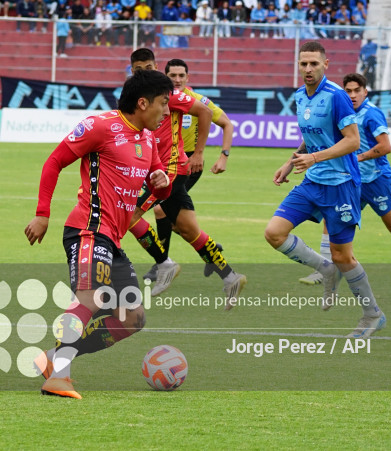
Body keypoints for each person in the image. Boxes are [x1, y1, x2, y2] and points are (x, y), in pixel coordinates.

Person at [24, 70, 173, 399]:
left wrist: (161, 182)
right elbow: (54, 161)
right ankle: (59, 376)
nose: (166, 111)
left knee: (132, 318)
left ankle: (53, 359)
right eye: (163, 104)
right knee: (90, 299)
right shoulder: (100, 126)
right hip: (88, 230)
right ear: (143, 102)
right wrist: (42, 214)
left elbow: (158, 185)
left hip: (114, 240)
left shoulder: (149, 139)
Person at [264, 41, 386, 339]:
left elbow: (353, 141)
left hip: (341, 184)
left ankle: (373, 314)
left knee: (343, 256)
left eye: (314, 64)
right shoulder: (299, 97)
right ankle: (326, 269)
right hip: (312, 181)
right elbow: (312, 137)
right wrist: (290, 163)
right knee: (274, 233)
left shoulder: (337, 97)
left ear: (325, 64)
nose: (308, 69)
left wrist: (314, 158)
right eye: (303, 63)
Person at [298, 72, 391, 286]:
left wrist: (357, 156)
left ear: (365, 92)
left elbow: (385, 146)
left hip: (376, 179)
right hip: (351, 180)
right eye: (348, 91)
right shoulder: (340, 111)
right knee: (332, 218)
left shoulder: (371, 114)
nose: (352, 95)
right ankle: (326, 270)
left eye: (356, 91)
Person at [127, 49, 247, 305]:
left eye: (149, 67)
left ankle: (163, 264)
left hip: (170, 170)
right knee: (188, 229)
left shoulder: (167, 93)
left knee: (127, 214)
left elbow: (205, 112)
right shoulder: (135, 95)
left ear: (156, 66)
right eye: (139, 70)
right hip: (152, 170)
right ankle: (230, 277)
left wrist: (199, 154)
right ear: (132, 71)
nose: (144, 73)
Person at [142, 58, 235, 283]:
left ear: (187, 78)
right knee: (176, 221)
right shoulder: (162, 99)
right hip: (161, 164)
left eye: (181, 76)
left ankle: (162, 263)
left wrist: (222, 155)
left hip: (187, 165)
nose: (177, 80)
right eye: (172, 76)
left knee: (158, 211)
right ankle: (208, 249)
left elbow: (227, 124)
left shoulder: (196, 100)